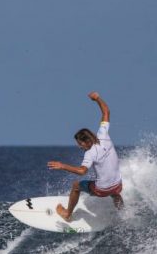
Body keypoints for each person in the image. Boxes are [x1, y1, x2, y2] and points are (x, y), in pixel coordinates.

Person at [47, 91, 123, 221]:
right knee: (115, 193)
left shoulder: (90, 153)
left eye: (80, 144)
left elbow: (82, 171)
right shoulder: (103, 135)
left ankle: (67, 214)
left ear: (87, 141)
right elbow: (106, 112)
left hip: (102, 190)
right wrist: (97, 98)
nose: (79, 147)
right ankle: (123, 214)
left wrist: (62, 165)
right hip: (118, 184)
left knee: (76, 185)